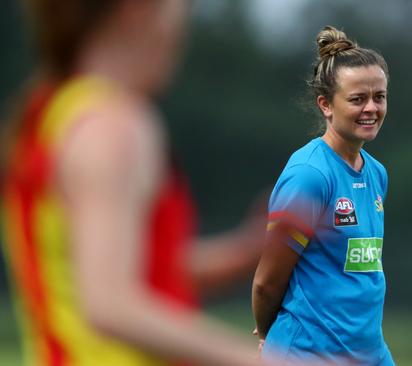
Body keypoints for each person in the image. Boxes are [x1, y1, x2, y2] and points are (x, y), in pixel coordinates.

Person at [1, 0, 268, 365]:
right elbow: (110, 304)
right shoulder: (112, 128)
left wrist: (245, 253)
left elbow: (119, 267)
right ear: (139, 7)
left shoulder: (52, 113)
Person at [252, 25, 394, 365]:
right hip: (309, 353)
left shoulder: (377, 173)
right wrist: (269, 334)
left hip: (369, 353)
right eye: (358, 99)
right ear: (326, 105)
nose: (371, 108)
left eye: (380, 96)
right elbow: (267, 282)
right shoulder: (310, 175)